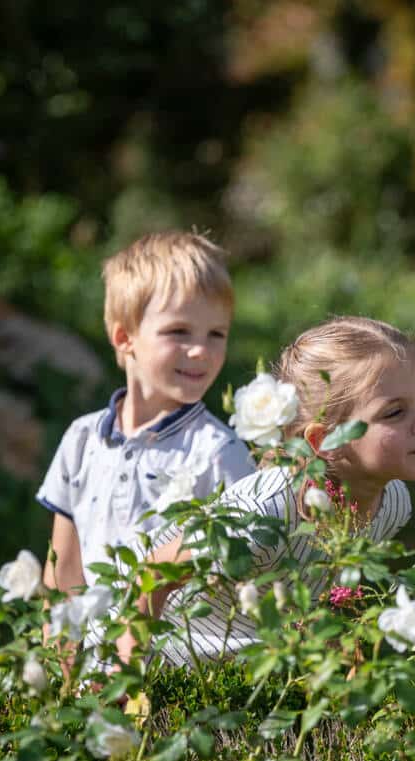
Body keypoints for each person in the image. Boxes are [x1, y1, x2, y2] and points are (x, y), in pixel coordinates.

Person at [121, 315, 415, 667]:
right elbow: (151, 573)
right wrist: (126, 679)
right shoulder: (267, 511)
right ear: (324, 442)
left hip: (236, 672)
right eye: (394, 412)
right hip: (146, 655)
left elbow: (310, 584)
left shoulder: (392, 503)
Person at [36, 230, 256, 598]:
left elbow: (247, 568)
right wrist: (58, 651)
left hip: (176, 652)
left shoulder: (218, 452)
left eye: (216, 334)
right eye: (179, 331)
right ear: (125, 338)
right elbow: (63, 575)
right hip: (97, 652)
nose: (201, 350)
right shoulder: (82, 439)